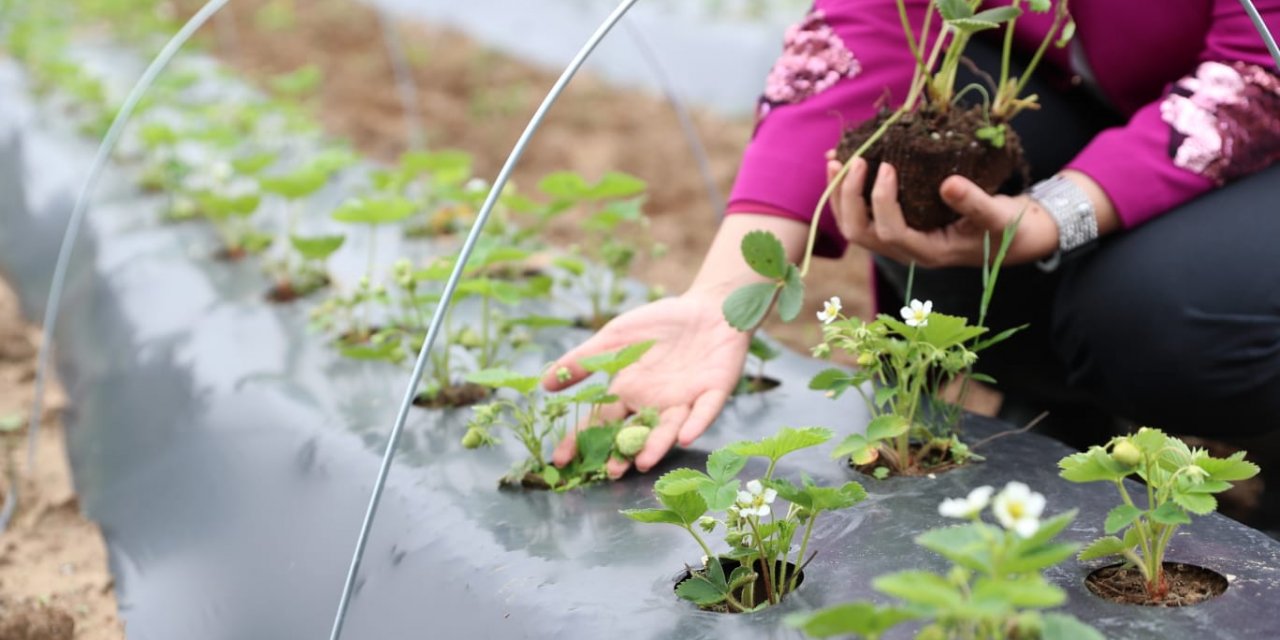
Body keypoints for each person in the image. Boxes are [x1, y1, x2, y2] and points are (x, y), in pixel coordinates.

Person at [541, 0, 1280, 497]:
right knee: (915, 153)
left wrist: (1055, 215)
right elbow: (863, 28)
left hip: (1262, 103)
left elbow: (1263, 61)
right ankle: (1068, 437)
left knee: (1160, 313)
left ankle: (1254, 473)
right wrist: (718, 299)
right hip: (1130, 102)